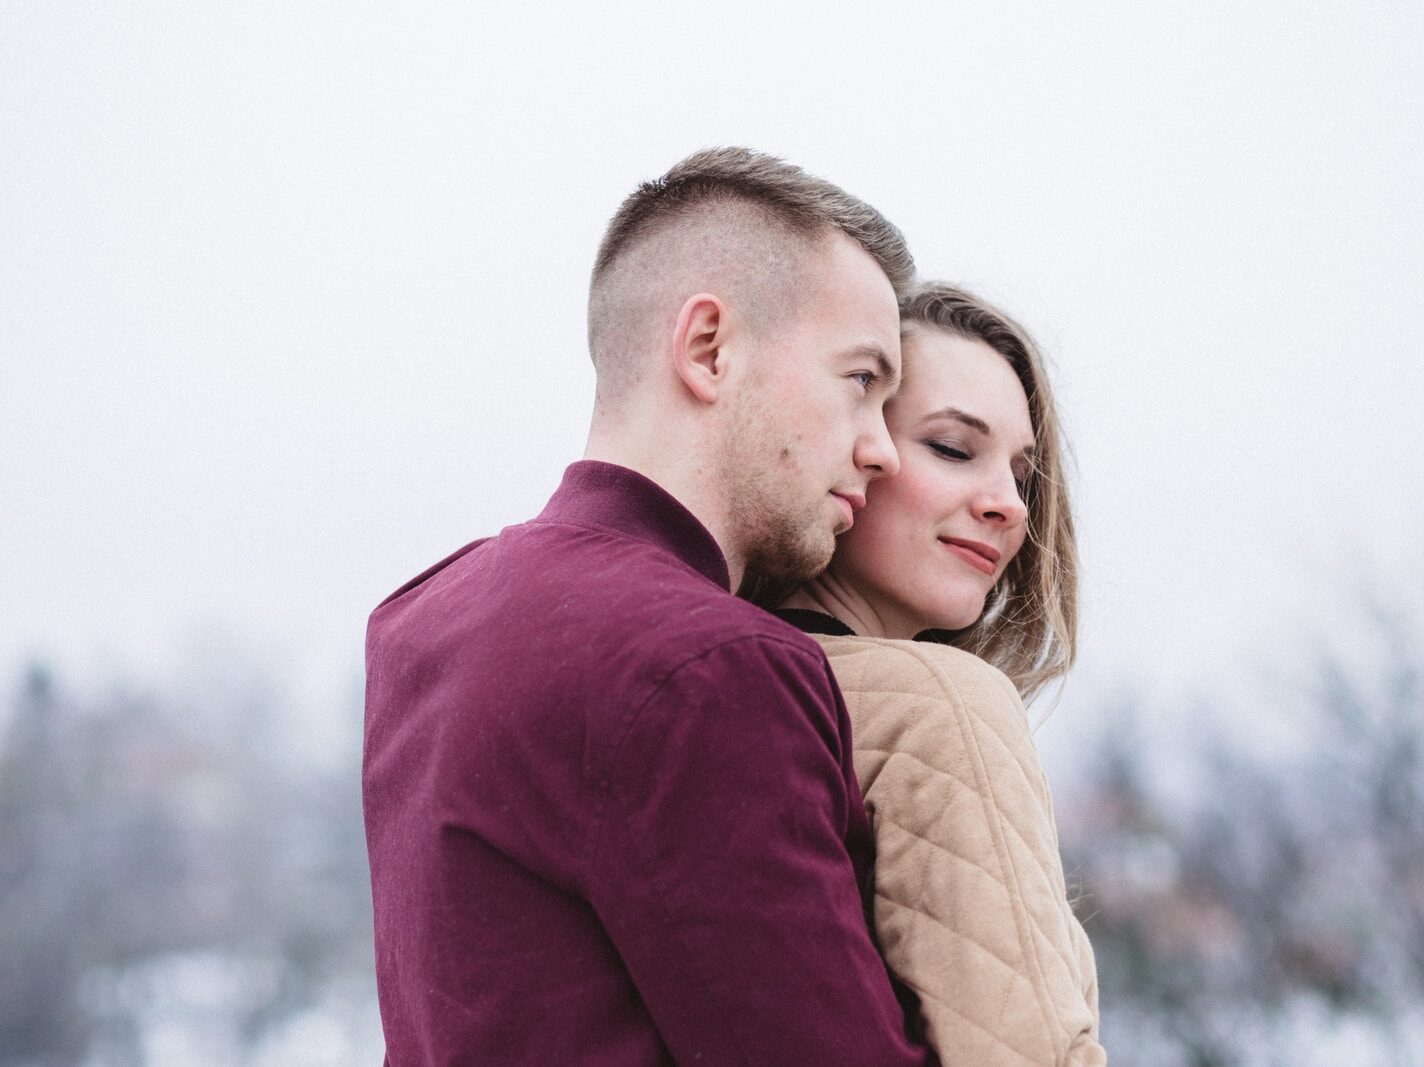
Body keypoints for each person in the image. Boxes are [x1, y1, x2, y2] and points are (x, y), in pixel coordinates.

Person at [362, 148, 937, 1065]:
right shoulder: (709, 665)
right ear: (708, 349)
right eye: (861, 381)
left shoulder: (420, 617)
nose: (883, 451)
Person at [771, 282, 1106, 1065]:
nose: (1010, 507)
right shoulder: (945, 706)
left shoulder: (706, 675)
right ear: (851, 449)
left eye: (1023, 474)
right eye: (954, 448)